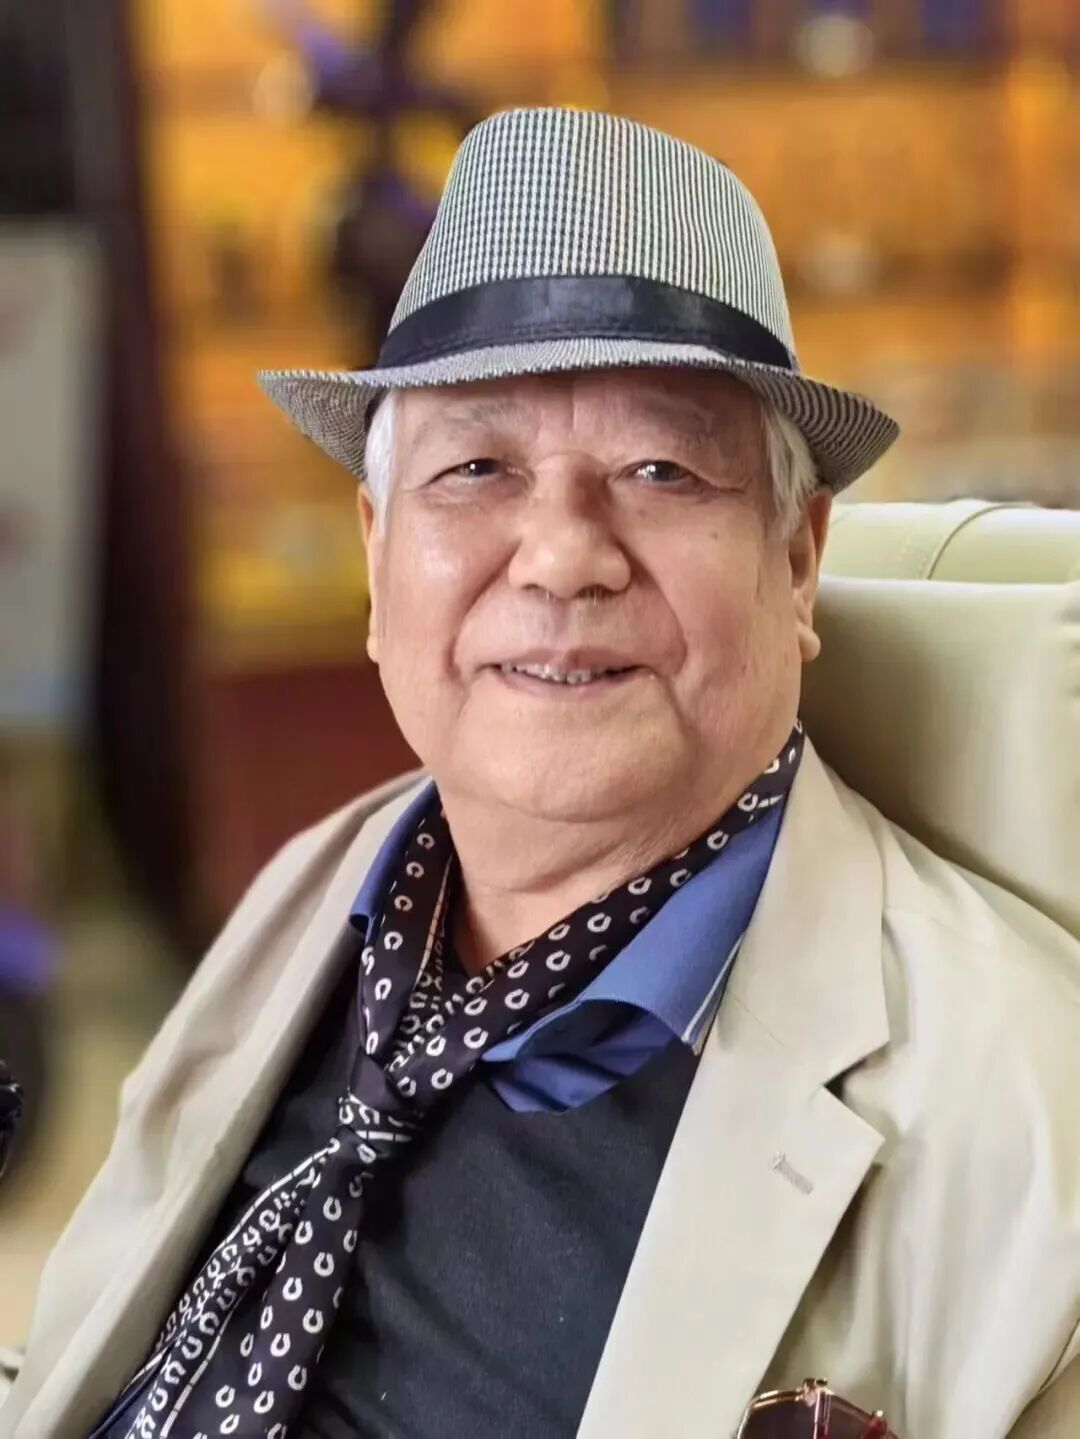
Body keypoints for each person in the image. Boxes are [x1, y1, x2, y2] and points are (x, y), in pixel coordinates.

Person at [4, 108, 1078, 1439]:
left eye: (660, 468)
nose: (563, 555)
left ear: (798, 561)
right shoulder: (323, 887)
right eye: (475, 468)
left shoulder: (1030, 1135)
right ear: (377, 559)